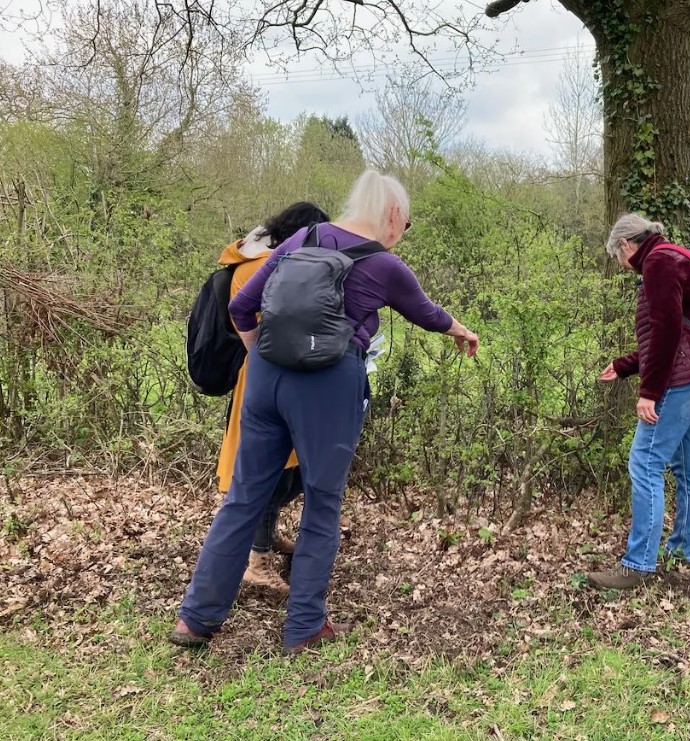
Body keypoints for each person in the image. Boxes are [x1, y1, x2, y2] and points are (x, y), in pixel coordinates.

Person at [170, 170, 480, 653]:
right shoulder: (384, 264)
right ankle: (305, 626)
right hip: (329, 384)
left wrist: (260, 356)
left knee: (244, 498)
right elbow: (428, 314)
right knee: (322, 501)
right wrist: (463, 331)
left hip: (266, 381)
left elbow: (243, 306)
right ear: (393, 215)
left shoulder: (302, 236)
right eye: (407, 221)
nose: (403, 231)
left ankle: (195, 619)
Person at [588, 214, 690, 590]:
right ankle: (682, 552)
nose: (622, 267)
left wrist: (649, 392)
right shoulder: (677, 256)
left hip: (681, 380)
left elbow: (667, 331)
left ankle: (638, 565)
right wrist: (625, 366)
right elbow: (676, 332)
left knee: (645, 462)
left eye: (617, 257)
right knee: (689, 467)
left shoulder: (657, 263)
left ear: (625, 245)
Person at [216, 202, 331, 594]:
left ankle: (263, 538)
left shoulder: (272, 261)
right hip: (264, 381)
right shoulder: (255, 268)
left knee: (289, 472)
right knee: (267, 470)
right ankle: (257, 560)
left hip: (280, 376)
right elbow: (259, 322)